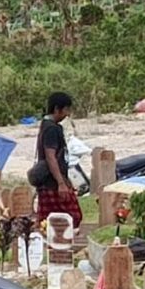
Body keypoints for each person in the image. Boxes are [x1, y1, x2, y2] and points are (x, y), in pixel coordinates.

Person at [35, 92, 82, 229]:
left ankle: (56, 245)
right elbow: (51, 157)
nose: (67, 114)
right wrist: (61, 183)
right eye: (66, 109)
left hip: (51, 181)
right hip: (52, 182)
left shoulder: (46, 125)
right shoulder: (52, 129)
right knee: (72, 217)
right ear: (57, 109)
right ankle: (58, 246)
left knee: (49, 220)